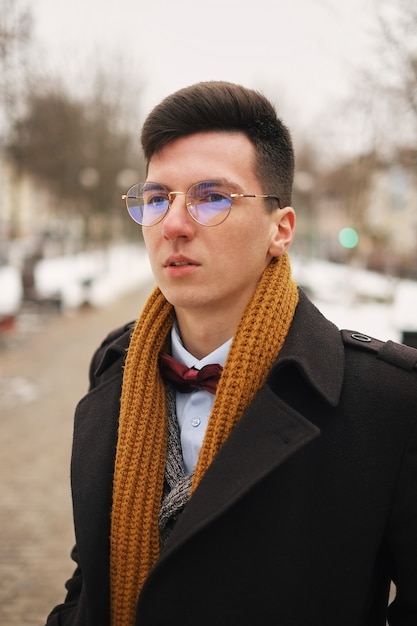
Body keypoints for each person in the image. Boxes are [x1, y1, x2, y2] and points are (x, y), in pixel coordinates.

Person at [45, 81, 417, 626]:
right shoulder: (115, 372)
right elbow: (89, 582)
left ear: (281, 230)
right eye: (156, 198)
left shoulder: (385, 401)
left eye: (211, 196)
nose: (172, 225)